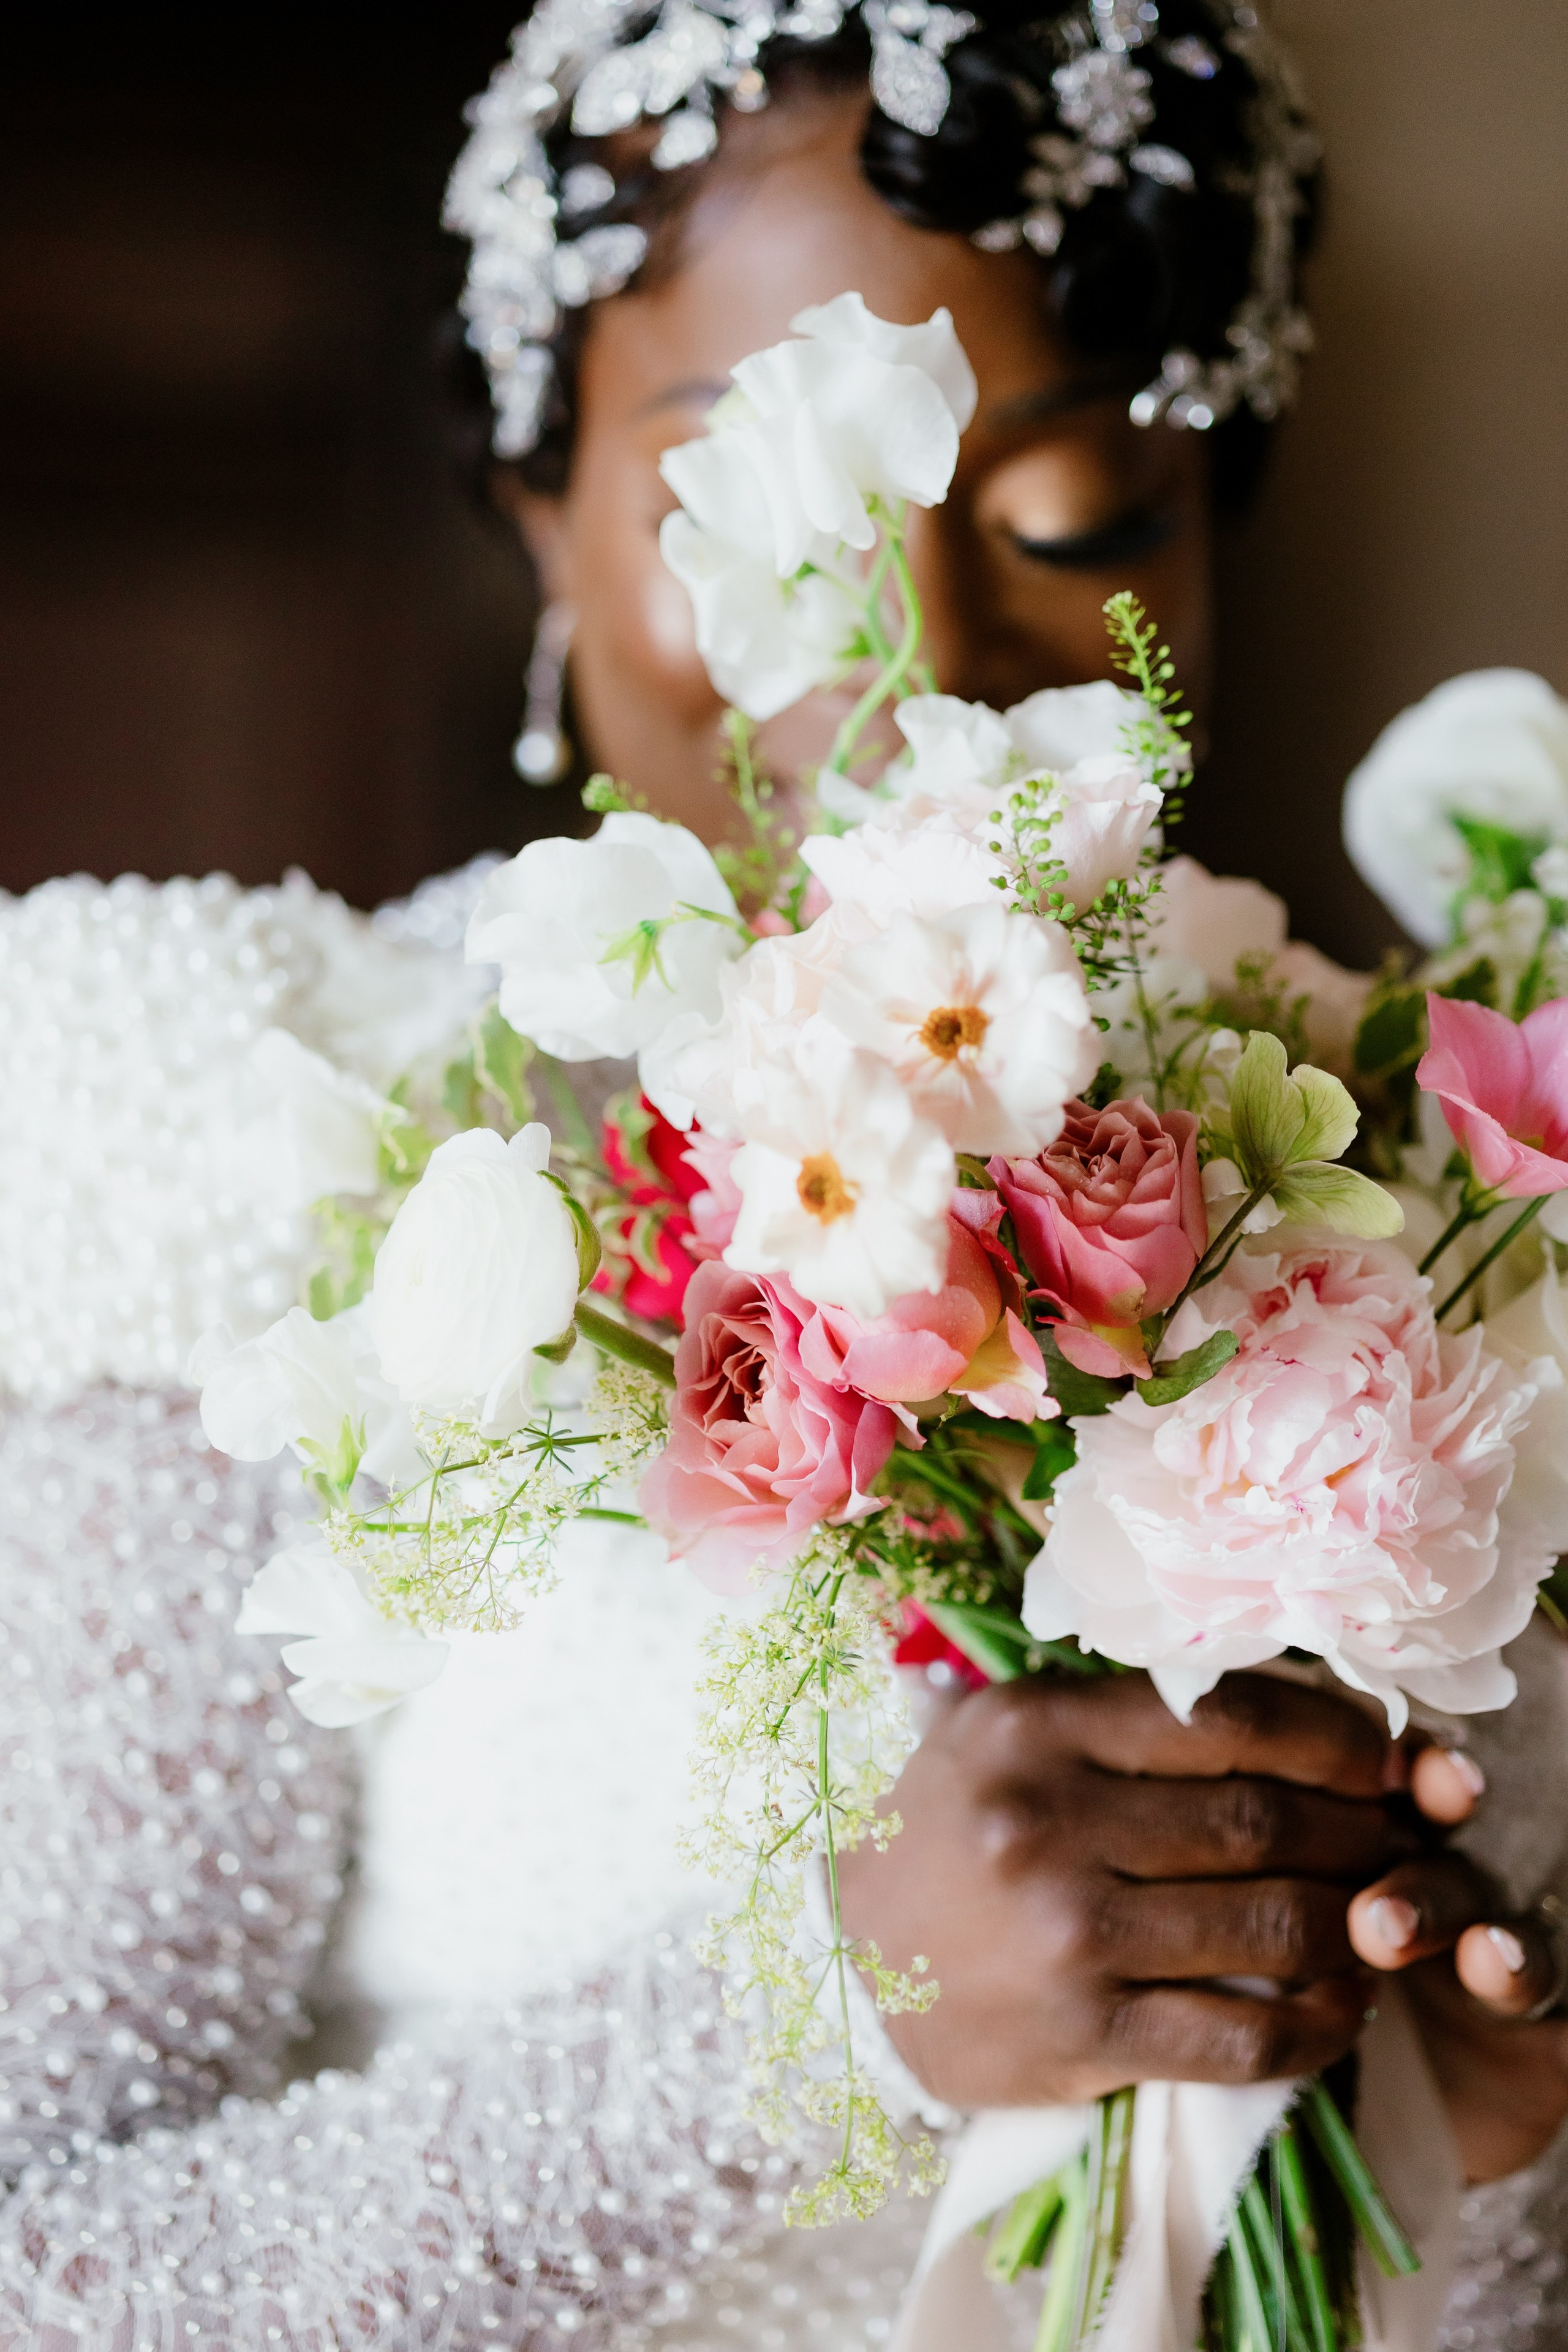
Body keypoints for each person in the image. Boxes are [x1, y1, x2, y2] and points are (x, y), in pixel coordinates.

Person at [1, 4, 1566, 2346]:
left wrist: (1471, 2164)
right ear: (541, 510)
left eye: (1069, 522)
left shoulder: (1422, 1194)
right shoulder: (256, 1144)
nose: (916, 662)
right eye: (752, 516)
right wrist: (827, 2018)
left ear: (1205, 539)